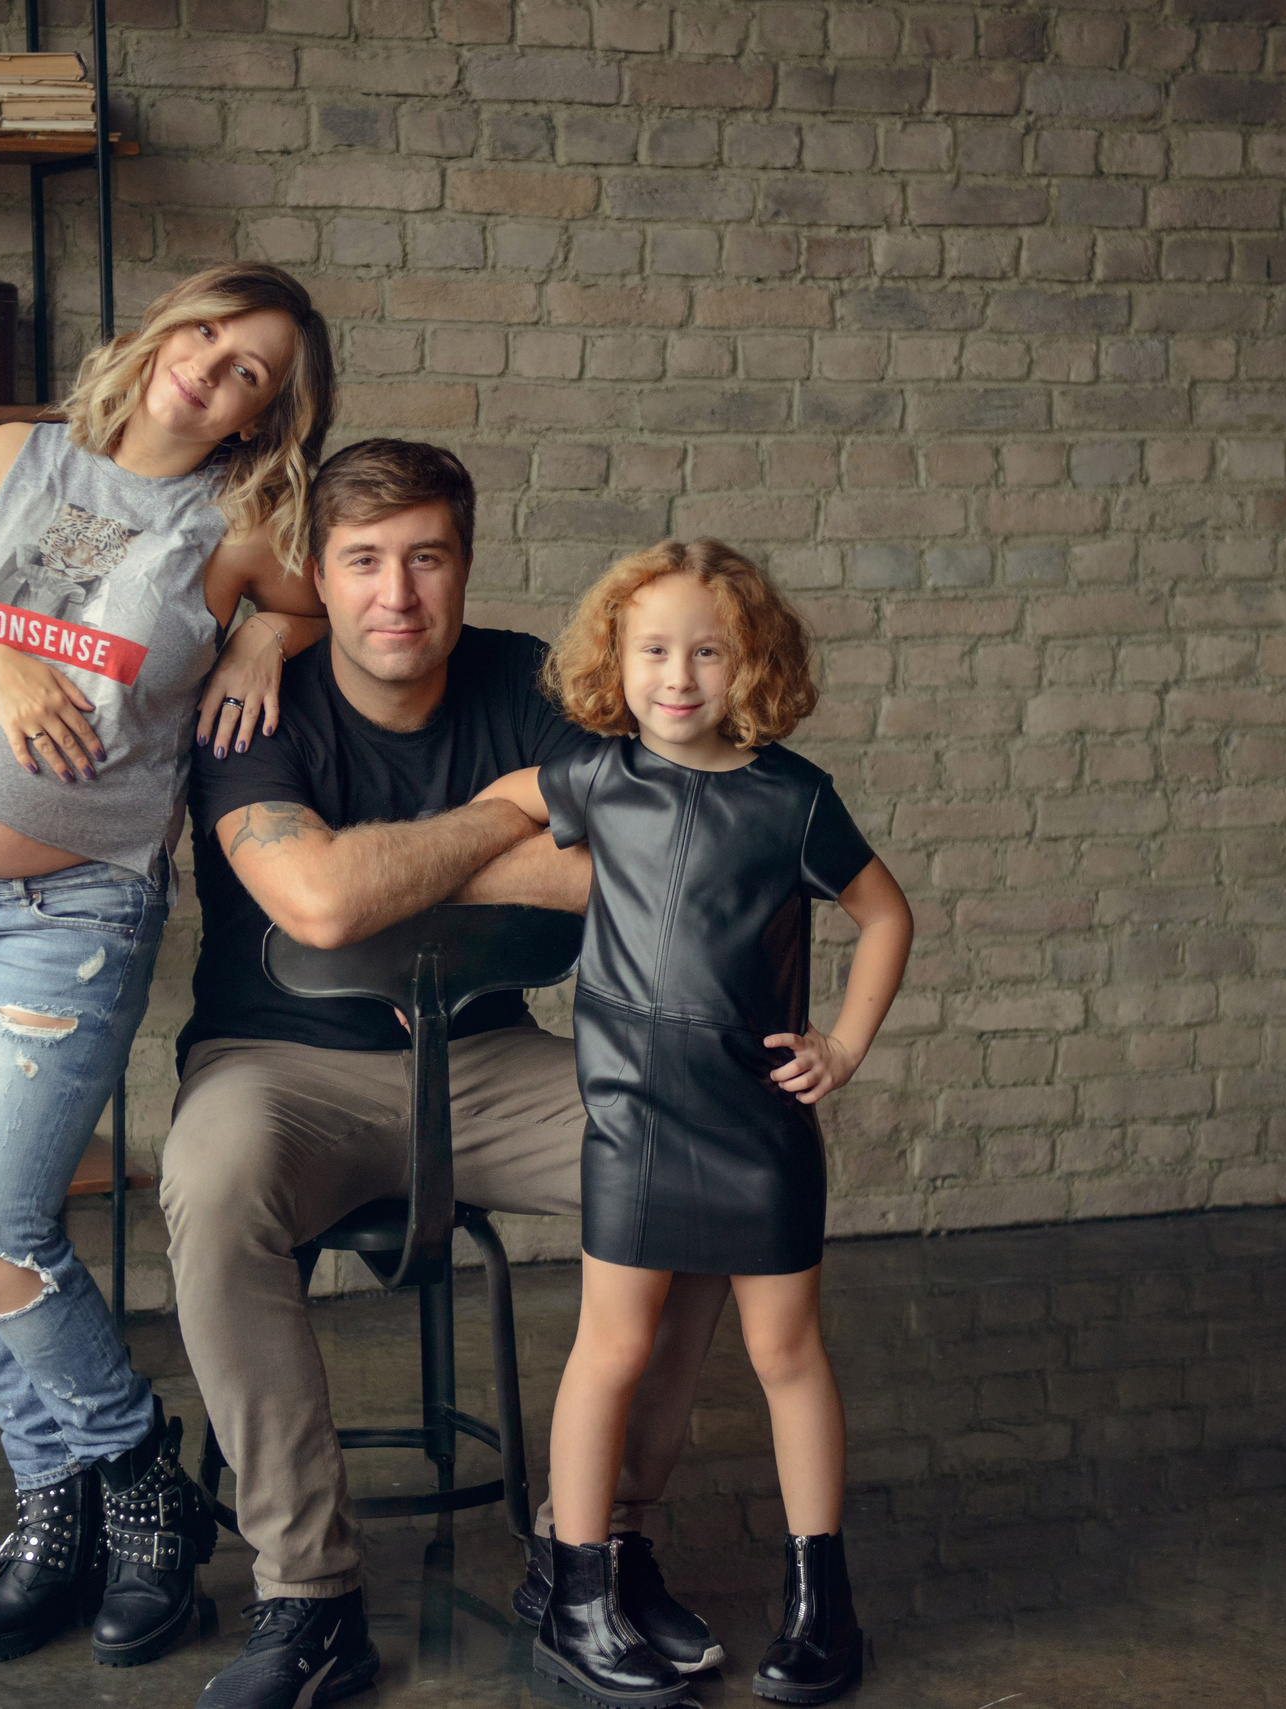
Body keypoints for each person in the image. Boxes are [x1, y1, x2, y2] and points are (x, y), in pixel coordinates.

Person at [160, 440, 738, 1709]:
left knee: (705, 1154)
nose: (396, 595)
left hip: (484, 1055)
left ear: (464, 564)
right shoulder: (252, 700)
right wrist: (505, 815)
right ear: (316, 569)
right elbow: (311, 902)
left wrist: (383, 868)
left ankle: (596, 1547)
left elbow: (651, 877)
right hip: (280, 1069)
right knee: (210, 1177)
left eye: (425, 558)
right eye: (362, 561)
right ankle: (308, 1599)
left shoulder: (535, 684)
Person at [0, 263, 336, 1674]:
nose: (217, 367)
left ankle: (143, 1482)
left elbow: (332, 604)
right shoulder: (12, 455)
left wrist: (267, 623)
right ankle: (55, 1518)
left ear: (264, 417)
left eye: (254, 370)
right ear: (161, 333)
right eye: (211, 333)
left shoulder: (244, 522)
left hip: (72, 913)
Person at [480, 539, 914, 1708]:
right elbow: (493, 815)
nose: (678, 676)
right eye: (652, 649)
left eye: (707, 651)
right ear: (612, 660)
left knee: (785, 1353)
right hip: (630, 1114)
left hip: (758, 1121)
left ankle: (823, 1605)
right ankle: (578, 1590)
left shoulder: (794, 797)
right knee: (610, 1348)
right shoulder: (594, 777)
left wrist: (845, 1045)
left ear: (750, 661)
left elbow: (884, 915)